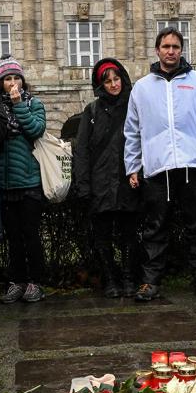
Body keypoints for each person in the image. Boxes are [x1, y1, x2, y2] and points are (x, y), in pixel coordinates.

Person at [124, 27, 196, 302]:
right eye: (166, 46)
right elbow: (133, 130)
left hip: (194, 166)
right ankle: (150, 281)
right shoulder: (142, 88)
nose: (171, 51)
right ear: (157, 50)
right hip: (158, 168)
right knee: (155, 227)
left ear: (182, 50)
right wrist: (133, 166)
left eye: (176, 47)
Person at [72, 58, 142, 298]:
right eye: (108, 81)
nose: (113, 85)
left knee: (129, 235)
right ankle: (111, 279)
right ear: (101, 84)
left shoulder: (134, 106)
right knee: (103, 237)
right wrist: (83, 186)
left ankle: (129, 278)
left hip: (127, 181)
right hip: (100, 183)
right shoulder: (91, 111)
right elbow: (81, 151)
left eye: (116, 79)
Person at [0, 55, 48, 304]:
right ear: (0, 82)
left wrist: (18, 105)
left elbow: (35, 130)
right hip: (5, 183)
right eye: (7, 78)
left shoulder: (33, 103)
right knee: (12, 237)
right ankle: (16, 281)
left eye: (16, 78)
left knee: (31, 234)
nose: (13, 83)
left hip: (29, 182)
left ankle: (35, 282)